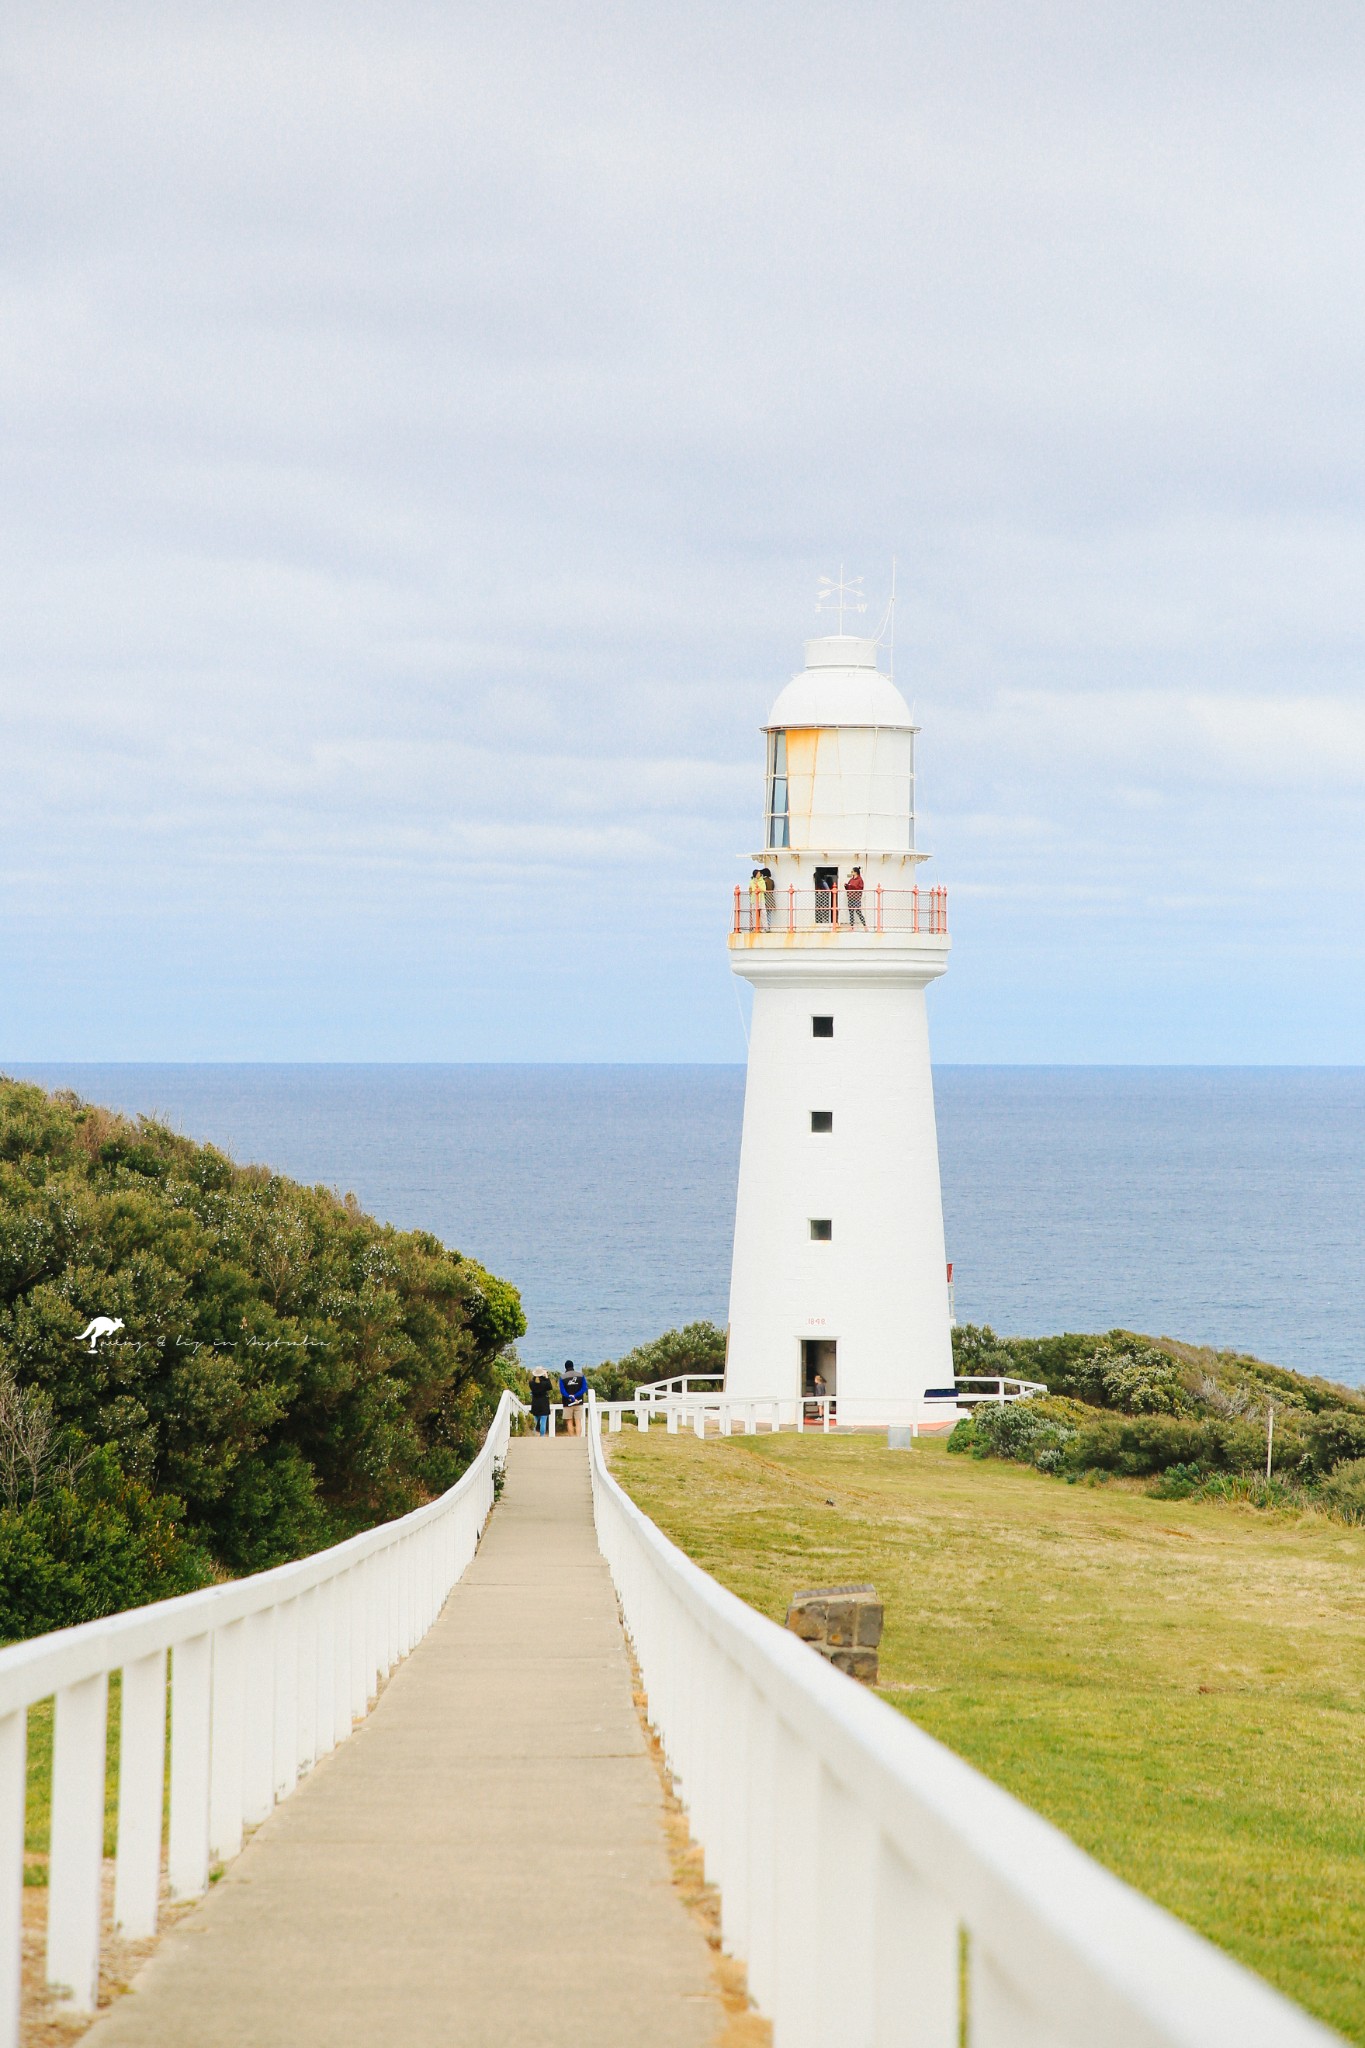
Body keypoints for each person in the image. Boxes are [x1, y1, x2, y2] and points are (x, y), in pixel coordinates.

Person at [559, 1359, 588, 1436]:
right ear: (573, 1366)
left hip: (567, 1403)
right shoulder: (581, 1376)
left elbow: (562, 1391)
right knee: (578, 1421)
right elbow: (584, 1388)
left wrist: (569, 1396)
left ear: (565, 1367)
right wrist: (575, 1395)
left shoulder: (562, 1377)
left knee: (569, 1421)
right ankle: (578, 1438)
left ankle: (572, 1439)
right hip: (579, 1401)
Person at [528, 1369, 552, 1435]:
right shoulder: (545, 1383)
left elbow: (534, 1381)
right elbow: (550, 1387)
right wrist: (546, 1377)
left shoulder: (531, 1383)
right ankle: (542, 1436)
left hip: (535, 1403)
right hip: (544, 1403)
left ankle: (533, 1434)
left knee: (535, 1421)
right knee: (543, 1421)